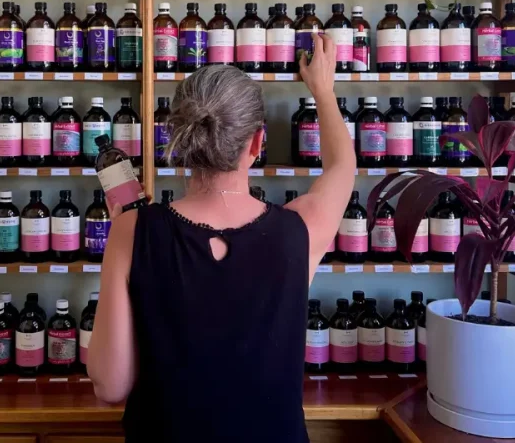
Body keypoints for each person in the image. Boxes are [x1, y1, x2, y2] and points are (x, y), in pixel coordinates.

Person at [88, 33, 356, 442]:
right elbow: (342, 168)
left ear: (178, 140)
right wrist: (323, 89)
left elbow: (110, 386)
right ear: (257, 142)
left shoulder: (132, 230)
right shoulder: (299, 229)